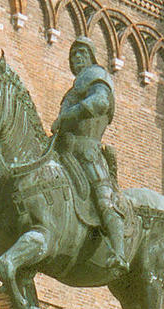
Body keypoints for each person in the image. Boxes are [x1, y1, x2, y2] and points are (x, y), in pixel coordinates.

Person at [52, 37, 128, 273]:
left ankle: (119, 252)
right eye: (73, 54)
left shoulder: (96, 76)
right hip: (65, 147)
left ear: (91, 55)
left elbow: (101, 101)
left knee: (103, 199)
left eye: (82, 52)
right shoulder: (74, 88)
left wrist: (68, 115)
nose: (76, 58)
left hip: (87, 149)